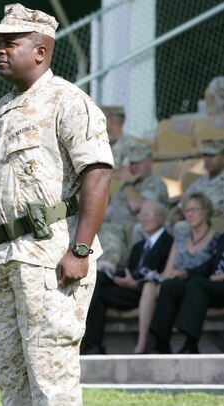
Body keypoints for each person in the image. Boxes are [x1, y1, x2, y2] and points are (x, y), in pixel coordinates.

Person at [0, 3, 113, 405]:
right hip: (3, 256)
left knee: (51, 378)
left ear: (40, 51)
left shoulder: (68, 101)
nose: (1, 50)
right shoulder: (3, 107)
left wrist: (81, 249)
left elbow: (99, 173)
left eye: (11, 43)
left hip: (49, 257)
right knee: (12, 378)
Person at [81, 201, 173, 355]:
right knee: (98, 291)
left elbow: (162, 274)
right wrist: (126, 280)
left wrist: (135, 282)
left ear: (162, 219)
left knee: (100, 280)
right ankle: (93, 345)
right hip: (129, 289)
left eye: (148, 215)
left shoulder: (169, 242)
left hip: (149, 292)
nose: (143, 219)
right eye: (141, 215)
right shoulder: (139, 245)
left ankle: (86, 338)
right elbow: (131, 270)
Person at [137, 192, 219, 353]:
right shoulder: (180, 239)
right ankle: (160, 343)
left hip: (203, 286)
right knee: (167, 286)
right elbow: (168, 271)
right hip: (180, 285)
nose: (189, 215)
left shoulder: (217, 239)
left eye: (194, 210)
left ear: (206, 210)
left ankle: (190, 344)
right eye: (186, 211)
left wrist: (185, 273)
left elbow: (211, 269)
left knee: (194, 287)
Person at [98, 143, 169, 272]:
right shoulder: (130, 184)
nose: (134, 167)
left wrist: (126, 184)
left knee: (107, 236)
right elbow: (108, 213)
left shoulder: (155, 184)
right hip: (111, 230)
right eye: (132, 163)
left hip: (130, 234)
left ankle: (104, 272)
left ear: (149, 162)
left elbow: (137, 206)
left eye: (138, 163)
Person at [150, 233, 224, 354]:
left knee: (198, 284)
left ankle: (190, 345)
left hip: (218, 285)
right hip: (212, 286)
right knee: (170, 286)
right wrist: (186, 273)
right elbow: (209, 266)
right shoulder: (222, 238)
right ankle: (161, 344)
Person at [182, 138, 224, 216]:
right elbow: (183, 204)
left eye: (212, 156)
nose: (207, 160)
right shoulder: (199, 182)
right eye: (205, 156)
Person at [102, 105, 140, 176]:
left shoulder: (130, 144)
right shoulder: (102, 143)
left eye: (100, 119)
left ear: (111, 121)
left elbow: (128, 175)